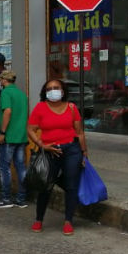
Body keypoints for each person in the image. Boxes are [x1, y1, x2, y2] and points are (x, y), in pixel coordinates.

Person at [27, 79, 88, 235]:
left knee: (71, 185)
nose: (53, 90)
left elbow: (80, 132)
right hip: (50, 150)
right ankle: (39, 219)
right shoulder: (40, 108)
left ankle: (68, 221)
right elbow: (31, 129)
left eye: (56, 88)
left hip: (72, 149)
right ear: (45, 92)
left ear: (63, 90)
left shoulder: (72, 108)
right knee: (46, 185)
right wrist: (42, 145)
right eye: (49, 88)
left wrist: (84, 153)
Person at [0, 71, 28, 209]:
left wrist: (2, 132)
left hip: (9, 136)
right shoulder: (22, 94)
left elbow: (8, 112)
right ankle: (21, 199)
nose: (0, 82)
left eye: (0, 80)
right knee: (21, 167)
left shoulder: (6, 93)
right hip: (22, 136)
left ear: (4, 80)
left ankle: (6, 198)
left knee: (5, 168)